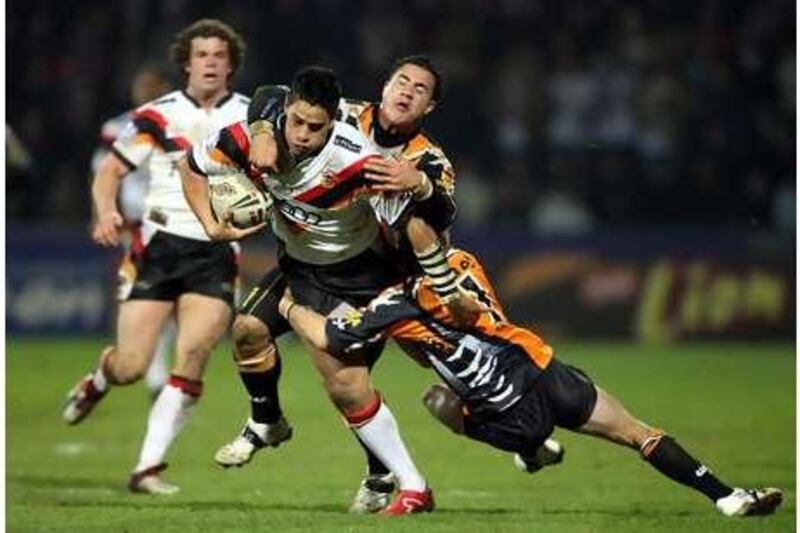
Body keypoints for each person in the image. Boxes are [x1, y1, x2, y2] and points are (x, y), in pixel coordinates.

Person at [277, 226, 784, 519]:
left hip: (502, 410)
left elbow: (336, 338)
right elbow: (465, 307)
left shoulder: (395, 302)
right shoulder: (464, 262)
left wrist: (289, 308)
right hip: (540, 368)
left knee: (440, 403)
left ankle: (533, 448)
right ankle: (728, 497)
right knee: (637, 433)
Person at [218, 55, 479, 513]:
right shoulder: (341, 112)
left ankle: (518, 429)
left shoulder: (427, 159)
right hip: (304, 262)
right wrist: (261, 131)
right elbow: (271, 97)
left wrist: (418, 185)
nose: (406, 91)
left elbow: (442, 218)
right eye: (402, 80)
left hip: (377, 273)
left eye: (420, 89)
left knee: (426, 365)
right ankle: (267, 422)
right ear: (385, 85)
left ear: (430, 106)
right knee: (247, 330)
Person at [61, 19, 251, 495]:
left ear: (231, 66)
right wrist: (104, 212)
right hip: (157, 249)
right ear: (186, 62)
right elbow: (110, 172)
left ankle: (146, 468)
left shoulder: (254, 118)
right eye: (201, 54)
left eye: (219, 55)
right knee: (131, 365)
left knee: (192, 357)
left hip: (216, 251)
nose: (210, 61)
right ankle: (100, 380)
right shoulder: (156, 115)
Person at [90, 64, 175, 399]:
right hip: (134, 222)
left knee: (162, 295)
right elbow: (101, 172)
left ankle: (154, 368)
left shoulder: (176, 123)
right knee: (140, 292)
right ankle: (139, 363)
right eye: (142, 87)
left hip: (170, 220)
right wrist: (101, 213)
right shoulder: (116, 128)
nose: (145, 93)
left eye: (152, 87)